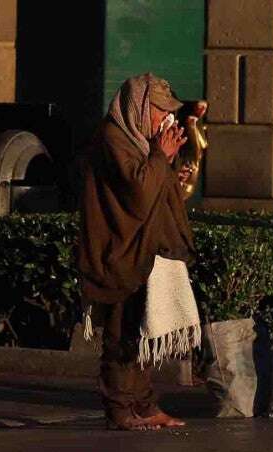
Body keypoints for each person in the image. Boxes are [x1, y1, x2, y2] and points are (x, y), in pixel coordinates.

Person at [77, 74, 200, 431]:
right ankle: (119, 409)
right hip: (118, 250)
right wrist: (161, 157)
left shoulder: (139, 142)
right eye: (160, 111)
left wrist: (166, 165)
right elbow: (138, 192)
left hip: (144, 249)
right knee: (121, 332)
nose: (165, 119)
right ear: (140, 107)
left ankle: (144, 405)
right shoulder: (114, 139)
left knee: (144, 330)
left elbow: (153, 183)